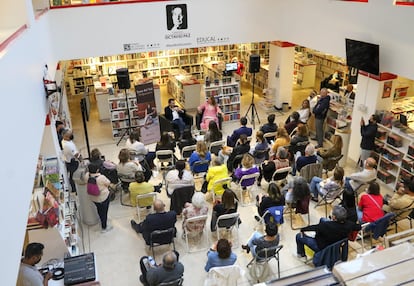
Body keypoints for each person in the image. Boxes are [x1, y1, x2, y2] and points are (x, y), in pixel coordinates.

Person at [295, 205, 360, 260]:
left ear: (334, 217)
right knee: (323, 219)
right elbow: (358, 227)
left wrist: (302, 229)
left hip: (322, 247)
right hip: (337, 243)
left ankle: (301, 255)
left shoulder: (325, 226)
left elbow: (314, 227)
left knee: (298, 236)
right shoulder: (350, 225)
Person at [86, 164, 112, 232]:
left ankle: (102, 220)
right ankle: (104, 227)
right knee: (104, 212)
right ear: (97, 170)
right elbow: (108, 183)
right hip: (103, 197)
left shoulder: (87, 176)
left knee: (99, 210)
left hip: (93, 198)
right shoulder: (101, 177)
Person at [62, 129, 81, 193]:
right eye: (69, 135)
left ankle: (74, 188)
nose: (71, 136)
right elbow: (76, 155)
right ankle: (74, 189)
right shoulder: (68, 145)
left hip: (69, 160)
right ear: (65, 136)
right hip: (72, 162)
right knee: (73, 176)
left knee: (72, 175)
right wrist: (81, 160)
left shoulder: (66, 141)